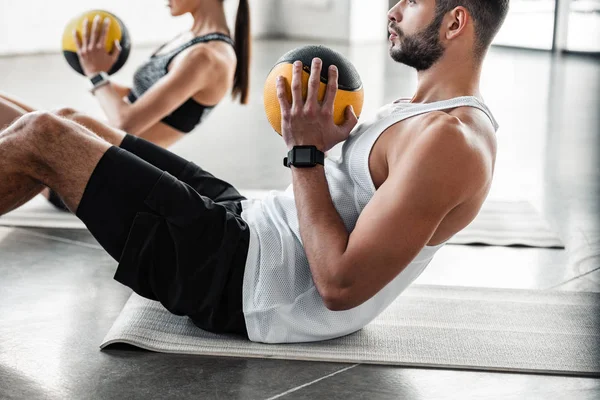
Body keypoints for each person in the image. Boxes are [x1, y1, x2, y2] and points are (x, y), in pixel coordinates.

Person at [0, 0, 508, 344]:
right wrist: (330, 149)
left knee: (43, 135)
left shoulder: (451, 141)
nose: (393, 10)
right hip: (252, 223)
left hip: (245, 283)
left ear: (455, 23)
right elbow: (357, 194)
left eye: (412, 1)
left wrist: (305, 151)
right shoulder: (419, 112)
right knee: (72, 123)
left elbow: (340, 286)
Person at [0, 0, 251, 209]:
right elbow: (141, 97)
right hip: (89, 150)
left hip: (94, 174)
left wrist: (96, 75)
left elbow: (126, 122)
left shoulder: (207, 56)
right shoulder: (191, 40)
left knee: (62, 118)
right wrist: (98, 71)